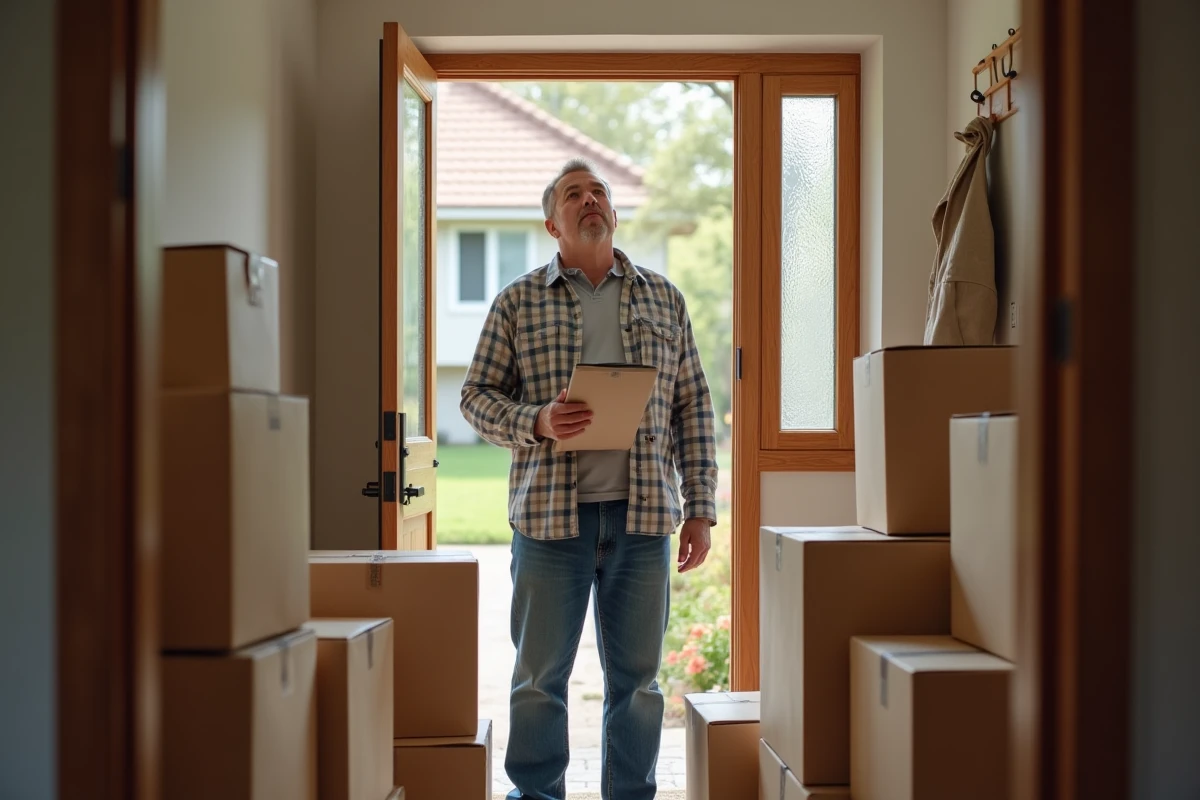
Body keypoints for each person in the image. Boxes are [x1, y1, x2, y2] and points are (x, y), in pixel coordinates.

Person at [460, 156, 718, 800]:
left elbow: (692, 404)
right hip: (550, 524)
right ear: (554, 224)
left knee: (639, 684)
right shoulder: (518, 301)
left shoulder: (664, 297)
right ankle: (536, 795)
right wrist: (538, 420)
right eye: (574, 194)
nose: (590, 199)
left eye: (598, 191)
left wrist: (700, 507)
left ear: (613, 212)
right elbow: (475, 398)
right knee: (539, 681)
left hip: (644, 521)